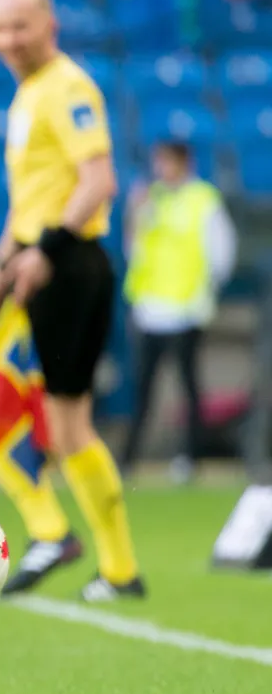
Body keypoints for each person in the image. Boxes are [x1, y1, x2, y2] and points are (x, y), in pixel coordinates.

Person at [0, 0, 145, 603]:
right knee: (65, 428)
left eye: (21, 26)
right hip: (39, 263)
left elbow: (99, 182)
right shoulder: (29, 93)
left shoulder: (68, 86)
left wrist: (42, 255)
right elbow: (31, 199)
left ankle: (54, 533)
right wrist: (0, 264)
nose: (9, 40)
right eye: (0, 29)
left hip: (66, 267)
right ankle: (118, 570)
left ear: (51, 24)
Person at [120, 141, 237, 484]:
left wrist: (206, 294)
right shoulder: (149, 199)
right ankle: (128, 458)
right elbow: (135, 249)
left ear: (184, 163)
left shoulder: (203, 199)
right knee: (143, 388)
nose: (162, 169)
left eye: (167, 162)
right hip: (150, 309)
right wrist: (135, 213)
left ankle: (190, 457)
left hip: (186, 309)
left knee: (189, 386)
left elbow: (221, 252)